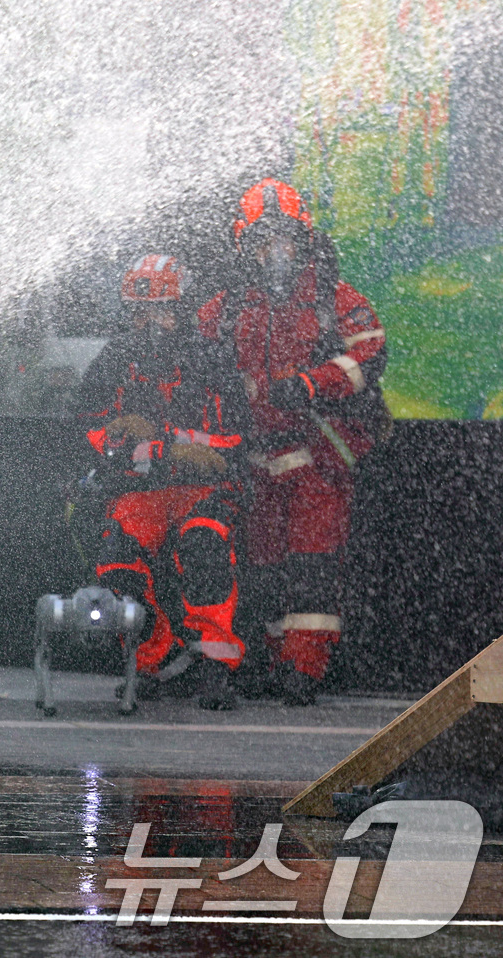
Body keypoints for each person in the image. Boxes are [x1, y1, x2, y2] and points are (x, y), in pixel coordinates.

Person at [197, 178, 389, 705]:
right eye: (264, 241)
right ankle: (265, 660)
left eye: (284, 239)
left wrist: (309, 384)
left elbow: (371, 352)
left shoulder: (332, 297)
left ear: (303, 240)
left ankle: (303, 668)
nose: (275, 252)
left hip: (317, 453)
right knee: (260, 568)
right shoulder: (226, 308)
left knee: (312, 566)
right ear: (244, 246)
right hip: (252, 458)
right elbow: (191, 360)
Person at [77, 253, 250, 710]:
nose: (150, 323)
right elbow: (91, 430)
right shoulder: (114, 359)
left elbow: (232, 443)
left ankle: (215, 667)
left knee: (203, 541)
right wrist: (151, 448)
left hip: (202, 491)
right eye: (140, 312)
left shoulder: (211, 358)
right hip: (142, 491)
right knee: (118, 560)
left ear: (183, 309)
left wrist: (163, 442)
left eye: (162, 310)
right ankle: (156, 660)